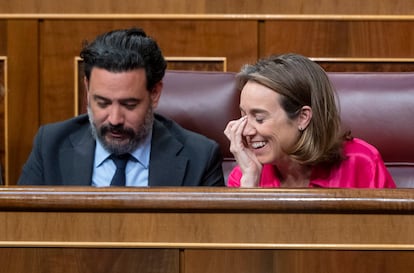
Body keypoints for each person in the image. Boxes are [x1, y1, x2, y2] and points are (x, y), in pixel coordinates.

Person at [18, 27, 224, 187]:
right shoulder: (50, 145)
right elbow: (24, 232)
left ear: (154, 94)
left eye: (129, 104)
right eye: (103, 103)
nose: (115, 119)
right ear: (87, 88)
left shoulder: (200, 156)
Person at [224, 53, 396, 188]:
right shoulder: (246, 174)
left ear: (303, 117)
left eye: (259, 118)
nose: (246, 131)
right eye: (244, 116)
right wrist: (249, 186)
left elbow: (394, 230)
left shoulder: (362, 162)